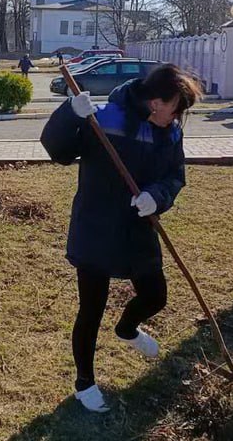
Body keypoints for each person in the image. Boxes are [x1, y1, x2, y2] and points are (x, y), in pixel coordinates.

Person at [40, 64, 202, 413]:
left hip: (138, 228)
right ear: (157, 102)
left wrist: (157, 196)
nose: (177, 118)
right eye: (175, 109)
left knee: (155, 295)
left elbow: (175, 175)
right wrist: (70, 115)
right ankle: (85, 383)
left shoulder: (170, 132)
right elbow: (59, 152)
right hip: (96, 227)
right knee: (91, 309)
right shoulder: (104, 119)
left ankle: (127, 329)